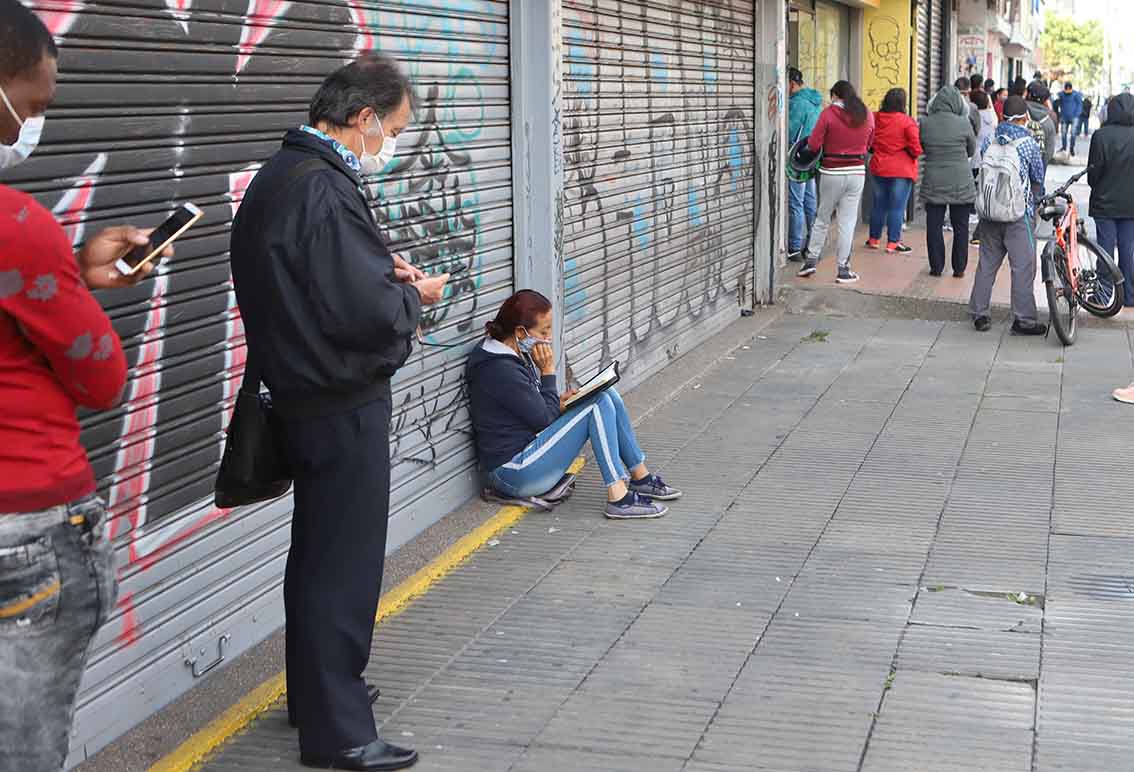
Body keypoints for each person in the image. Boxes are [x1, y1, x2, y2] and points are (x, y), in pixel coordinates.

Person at [229, 54, 451, 771]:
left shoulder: (283, 175)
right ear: (361, 120)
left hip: (300, 393)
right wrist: (418, 296)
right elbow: (363, 314)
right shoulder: (322, 188)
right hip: (338, 401)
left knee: (318, 556)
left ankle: (317, 695)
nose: (390, 144)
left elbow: (320, 281)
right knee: (343, 566)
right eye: (392, 129)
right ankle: (340, 731)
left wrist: (385, 277)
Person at [0, 1, 176, 768]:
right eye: (28, 107)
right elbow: (101, 376)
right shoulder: (14, 224)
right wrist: (60, 278)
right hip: (26, 527)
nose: (24, 132)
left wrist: (62, 276)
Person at [466, 290, 680, 519]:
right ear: (520, 332)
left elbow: (532, 406)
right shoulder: (498, 368)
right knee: (596, 404)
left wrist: (561, 401)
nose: (547, 338)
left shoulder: (513, 350)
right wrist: (548, 373)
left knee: (606, 394)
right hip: (512, 473)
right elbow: (542, 419)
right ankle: (618, 497)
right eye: (544, 331)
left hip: (530, 449)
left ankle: (641, 477)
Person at [969, 96, 1048, 336]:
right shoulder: (1028, 143)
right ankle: (1023, 319)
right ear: (1024, 117)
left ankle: (979, 313)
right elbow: (1037, 178)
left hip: (990, 211)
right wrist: (1036, 202)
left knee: (987, 264)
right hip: (1017, 215)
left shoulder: (989, 139)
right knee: (1023, 267)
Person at [796, 81, 875, 283]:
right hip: (857, 172)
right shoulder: (866, 114)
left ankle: (811, 261)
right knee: (847, 222)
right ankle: (843, 269)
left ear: (835, 95)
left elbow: (813, 144)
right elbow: (869, 144)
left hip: (831, 172)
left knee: (822, 218)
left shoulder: (829, 113)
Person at [919, 85, 977, 277]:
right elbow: (971, 150)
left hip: (934, 179)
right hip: (961, 180)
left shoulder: (925, 123)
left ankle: (936, 267)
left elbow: (923, 147)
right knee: (961, 226)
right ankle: (959, 268)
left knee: (934, 225)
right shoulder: (964, 123)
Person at [1088, 93, 1134, 309]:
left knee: (1104, 249)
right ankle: (1129, 296)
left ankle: (1103, 295)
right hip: (1131, 204)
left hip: (1104, 203)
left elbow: (1092, 174)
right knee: (1128, 249)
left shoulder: (1101, 136)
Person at [866, 88, 921, 253]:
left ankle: (874, 239)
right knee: (897, 207)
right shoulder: (906, 121)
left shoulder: (875, 118)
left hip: (879, 167)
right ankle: (893, 242)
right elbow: (916, 148)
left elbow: (868, 140)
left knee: (878, 205)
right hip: (901, 170)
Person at [787, 67, 822, 262]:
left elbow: (789, 132)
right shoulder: (815, 102)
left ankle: (794, 247)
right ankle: (813, 245)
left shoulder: (797, 104)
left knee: (796, 203)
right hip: (812, 157)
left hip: (797, 158)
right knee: (810, 201)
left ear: (791, 84)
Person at [969, 89, 998, 245]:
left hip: (972, 157)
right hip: (986, 158)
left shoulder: (971, 116)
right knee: (983, 188)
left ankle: (972, 211)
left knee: (973, 185)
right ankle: (978, 212)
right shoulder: (991, 117)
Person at [1025, 80, 1058, 169]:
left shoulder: (1019, 112)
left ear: (1028, 95)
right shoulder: (1050, 119)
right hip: (1039, 168)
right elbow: (1049, 151)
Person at [1054, 81, 1084, 156]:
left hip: (1074, 117)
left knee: (1073, 133)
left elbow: (1079, 105)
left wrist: (1076, 114)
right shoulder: (1061, 94)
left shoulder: (1076, 95)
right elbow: (1057, 103)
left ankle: (1071, 148)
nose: (1067, 92)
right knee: (1063, 133)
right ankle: (1064, 147)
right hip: (1064, 117)